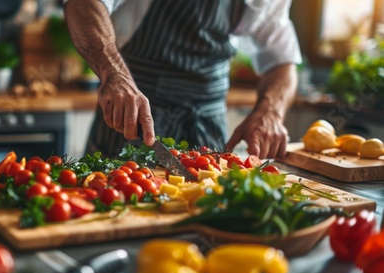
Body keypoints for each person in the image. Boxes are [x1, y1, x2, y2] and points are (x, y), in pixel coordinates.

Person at [63, 0, 301, 159]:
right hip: (131, 119)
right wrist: (114, 73)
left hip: (207, 126)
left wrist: (270, 111)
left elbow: (281, 61)